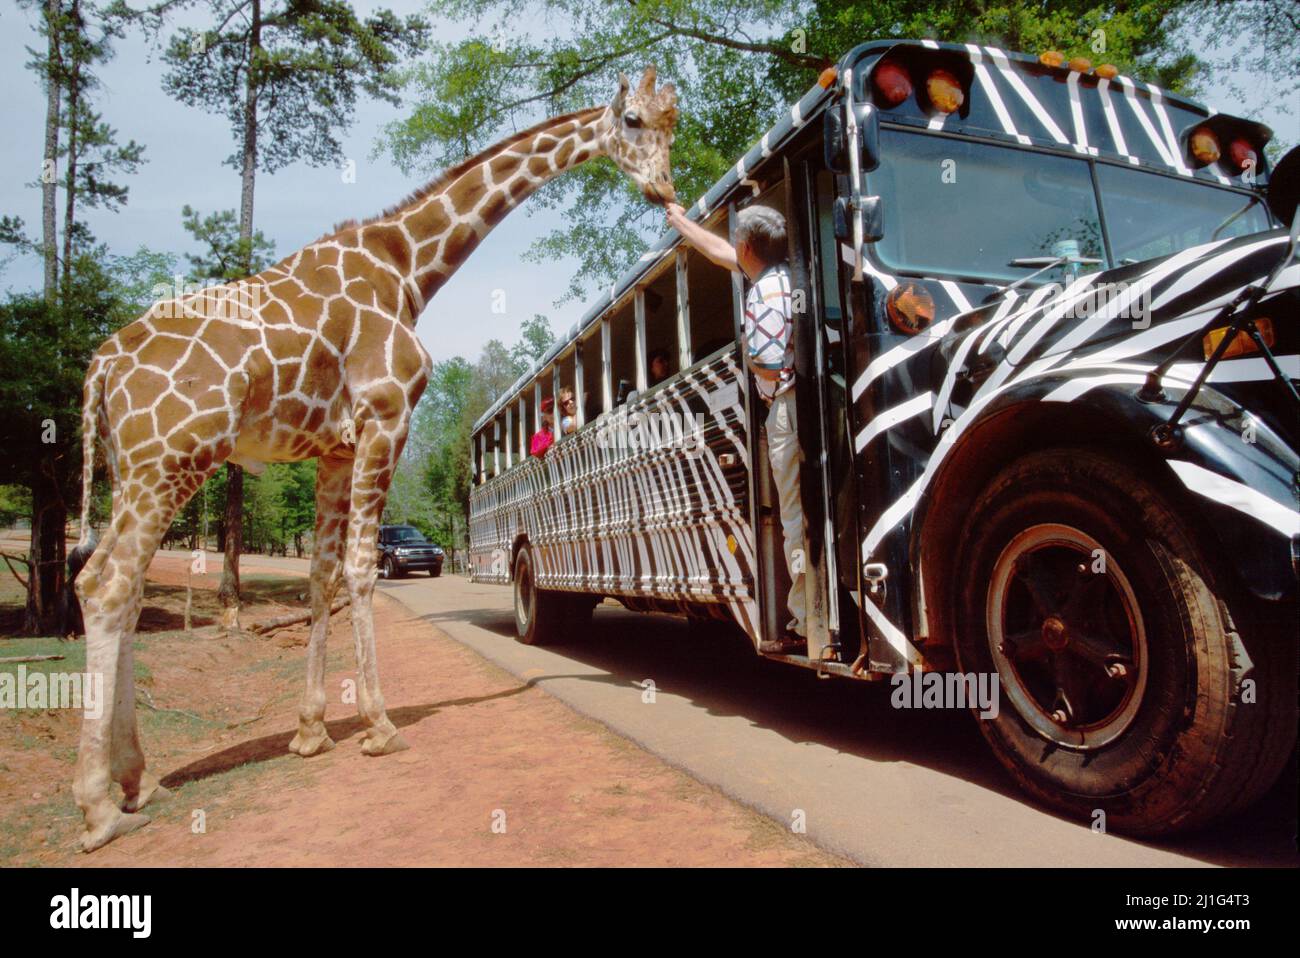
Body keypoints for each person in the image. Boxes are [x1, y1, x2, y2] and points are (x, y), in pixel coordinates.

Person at [666, 201, 806, 654]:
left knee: (791, 517)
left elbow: (765, 362)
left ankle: (804, 620)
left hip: (784, 406)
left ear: (747, 246)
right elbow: (723, 254)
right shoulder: (786, 278)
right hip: (802, 402)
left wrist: (744, 361)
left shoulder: (761, 294)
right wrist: (681, 222)